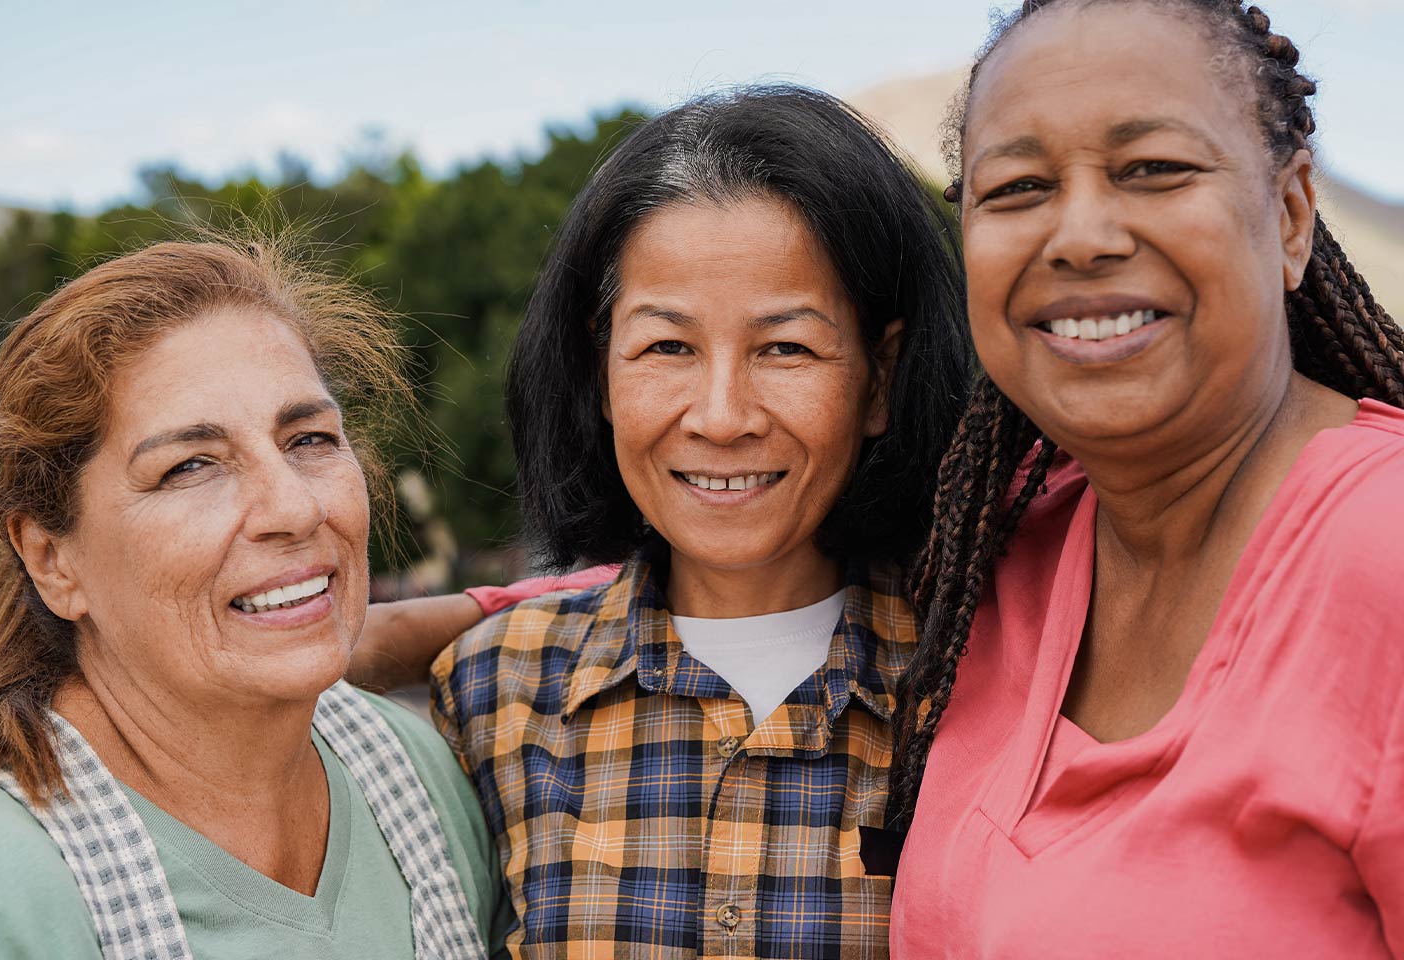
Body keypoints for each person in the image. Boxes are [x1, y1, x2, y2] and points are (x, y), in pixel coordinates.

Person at [886, 1, 1404, 955]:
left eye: (1153, 169)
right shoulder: (1001, 552)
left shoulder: (1384, 550)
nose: (1080, 235)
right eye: (1017, 187)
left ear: (1290, 216)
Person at [431, 86, 971, 957]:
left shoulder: (982, 685)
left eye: (785, 347)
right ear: (599, 368)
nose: (722, 417)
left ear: (879, 378)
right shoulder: (492, 691)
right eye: (667, 347)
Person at [0, 240, 510, 959]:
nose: (293, 506)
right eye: (189, 466)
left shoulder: (421, 775)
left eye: (309, 438)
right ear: (51, 558)